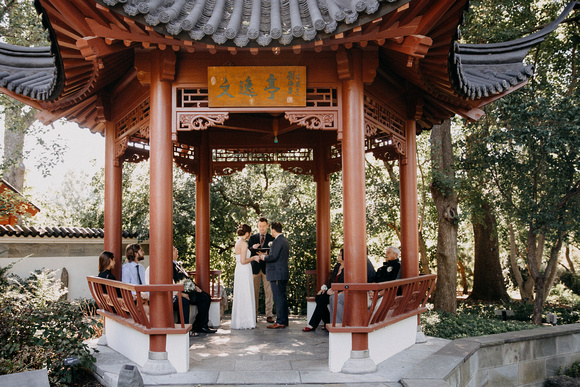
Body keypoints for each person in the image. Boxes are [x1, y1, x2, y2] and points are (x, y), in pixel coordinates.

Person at [172, 246, 216, 334]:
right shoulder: (169, 266)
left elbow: (187, 278)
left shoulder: (178, 265)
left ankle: (201, 325)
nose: (177, 250)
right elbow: (173, 282)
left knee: (205, 297)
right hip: (180, 293)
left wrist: (196, 286)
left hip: (190, 291)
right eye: (174, 250)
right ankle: (186, 328)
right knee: (184, 301)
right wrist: (181, 293)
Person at [328, 250, 376, 325]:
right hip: (353, 291)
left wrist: (343, 291)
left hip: (361, 293)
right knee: (332, 297)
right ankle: (333, 324)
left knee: (336, 298)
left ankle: (339, 325)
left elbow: (361, 282)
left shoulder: (365, 263)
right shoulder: (359, 261)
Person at [302, 249, 344, 332]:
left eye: (340, 255)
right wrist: (323, 289)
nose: (338, 256)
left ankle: (312, 324)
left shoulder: (348, 269)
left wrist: (335, 290)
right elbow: (331, 280)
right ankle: (327, 322)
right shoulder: (337, 266)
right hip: (331, 290)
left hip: (340, 291)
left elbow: (345, 283)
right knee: (319, 297)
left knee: (322, 299)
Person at [257, 222, 289, 329]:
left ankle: (280, 322)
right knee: (283, 298)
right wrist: (268, 255)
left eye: (271, 230)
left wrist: (263, 257)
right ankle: (284, 320)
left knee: (278, 298)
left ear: (274, 230)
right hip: (282, 273)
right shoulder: (284, 240)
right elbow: (277, 256)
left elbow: (273, 257)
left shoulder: (277, 241)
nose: (271, 232)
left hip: (277, 274)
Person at [248, 217, 275, 323]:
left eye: (264, 226)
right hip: (255, 268)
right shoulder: (253, 238)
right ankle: (253, 314)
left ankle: (269, 314)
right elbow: (248, 252)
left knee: (269, 293)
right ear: (257, 226)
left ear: (267, 226)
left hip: (267, 268)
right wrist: (253, 248)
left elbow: (274, 252)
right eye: (260, 226)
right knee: (254, 293)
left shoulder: (271, 238)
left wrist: (266, 254)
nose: (262, 228)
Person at [231, 224, 258, 329]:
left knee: (242, 293)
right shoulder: (244, 244)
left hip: (240, 270)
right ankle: (246, 321)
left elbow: (241, 257)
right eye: (249, 233)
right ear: (247, 233)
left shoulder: (239, 242)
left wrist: (251, 249)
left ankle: (240, 320)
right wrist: (254, 258)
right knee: (245, 293)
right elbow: (243, 261)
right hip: (244, 269)